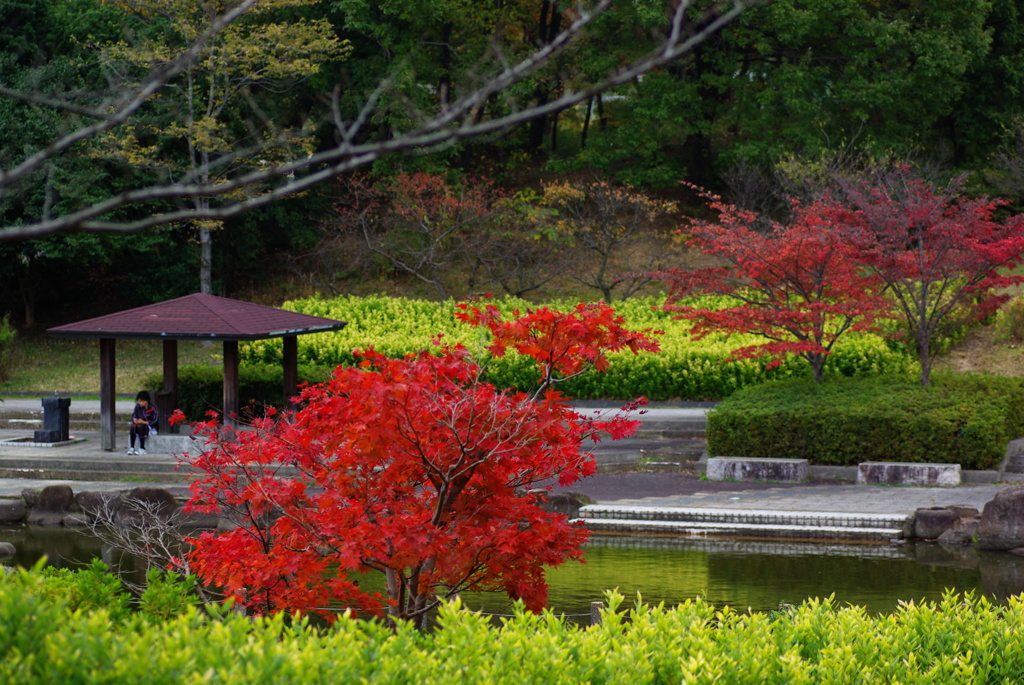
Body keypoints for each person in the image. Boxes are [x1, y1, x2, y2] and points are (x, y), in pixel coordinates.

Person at [128, 390, 158, 455]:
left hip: (150, 427)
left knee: (140, 426)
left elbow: (155, 420)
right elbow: (134, 416)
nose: (140, 403)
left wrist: (144, 422)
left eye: (141, 401)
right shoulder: (137, 407)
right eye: (139, 401)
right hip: (139, 424)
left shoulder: (152, 407)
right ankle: (132, 447)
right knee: (133, 426)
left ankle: (142, 447)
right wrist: (136, 421)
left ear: (146, 401)